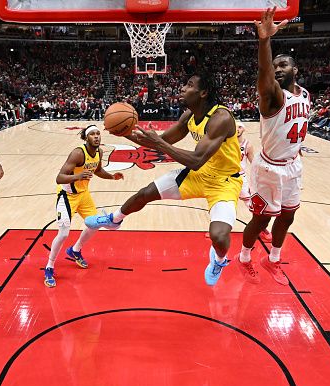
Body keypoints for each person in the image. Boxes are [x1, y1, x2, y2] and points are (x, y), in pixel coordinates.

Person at [85, 71, 244, 286]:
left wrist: (159, 144)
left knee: (219, 236)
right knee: (145, 194)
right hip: (199, 175)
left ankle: (218, 260)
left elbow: (195, 159)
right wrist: (125, 132)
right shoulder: (188, 115)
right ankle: (114, 220)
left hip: (224, 181)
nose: (182, 89)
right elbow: (162, 140)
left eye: (189, 84)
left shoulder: (221, 119)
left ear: (203, 92)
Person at [238, 7, 310, 286]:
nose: (278, 69)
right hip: (269, 169)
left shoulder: (304, 94)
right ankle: (244, 258)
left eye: (284, 65)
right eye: (276, 66)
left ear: (295, 70)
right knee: (261, 220)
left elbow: (300, 123)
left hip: (293, 165)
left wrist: (297, 147)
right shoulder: (272, 97)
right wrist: (264, 41)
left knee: (288, 216)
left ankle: (274, 259)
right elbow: (264, 72)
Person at [44, 125, 124, 287]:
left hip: (83, 195)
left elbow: (98, 170)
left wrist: (112, 177)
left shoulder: (99, 152)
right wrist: (78, 176)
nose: (96, 136)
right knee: (64, 233)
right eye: (92, 134)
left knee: (94, 224)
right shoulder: (78, 153)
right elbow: (59, 178)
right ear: (86, 137)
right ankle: (49, 266)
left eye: (98, 134)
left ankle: (75, 250)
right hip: (67, 196)